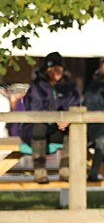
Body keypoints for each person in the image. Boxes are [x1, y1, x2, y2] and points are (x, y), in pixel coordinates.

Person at [19, 52, 81, 183]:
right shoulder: (36, 87)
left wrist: (67, 120)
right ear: (46, 69)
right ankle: (39, 170)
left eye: (59, 68)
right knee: (39, 126)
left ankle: (66, 169)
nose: (56, 71)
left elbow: (74, 105)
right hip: (33, 130)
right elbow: (35, 110)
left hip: (57, 129)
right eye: (52, 68)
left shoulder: (69, 87)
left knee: (73, 131)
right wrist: (55, 119)